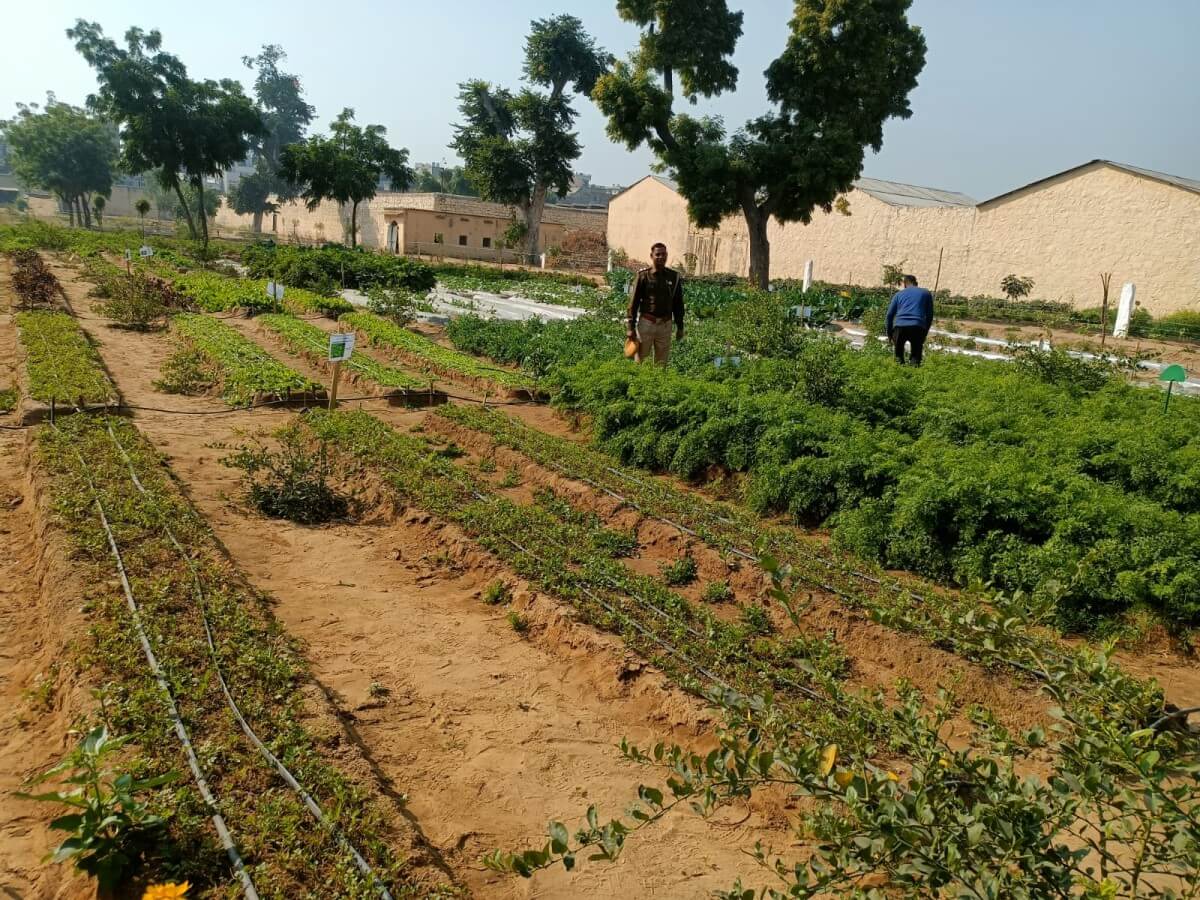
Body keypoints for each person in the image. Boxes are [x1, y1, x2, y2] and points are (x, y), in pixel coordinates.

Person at [626, 242, 684, 365]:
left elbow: (678, 304)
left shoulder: (674, 277)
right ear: (651, 256)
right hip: (647, 323)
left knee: (661, 363)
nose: (661, 257)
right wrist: (630, 327)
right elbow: (634, 303)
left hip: (665, 325)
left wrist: (680, 327)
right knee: (641, 361)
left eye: (663, 254)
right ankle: (639, 383)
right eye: (658, 254)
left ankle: (658, 384)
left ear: (667, 255)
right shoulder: (643, 276)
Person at [885, 274, 934, 365]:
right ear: (916, 283)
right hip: (918, 326)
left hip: (899, 327)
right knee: (915, 357)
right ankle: (913, 375)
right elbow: (930, 315)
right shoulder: (926, 293)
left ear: (904, 284)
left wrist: (889, 333)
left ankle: (899, 375)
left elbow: (889, 315)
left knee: (898, 357)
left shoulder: (898, 295)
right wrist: (925, 332)